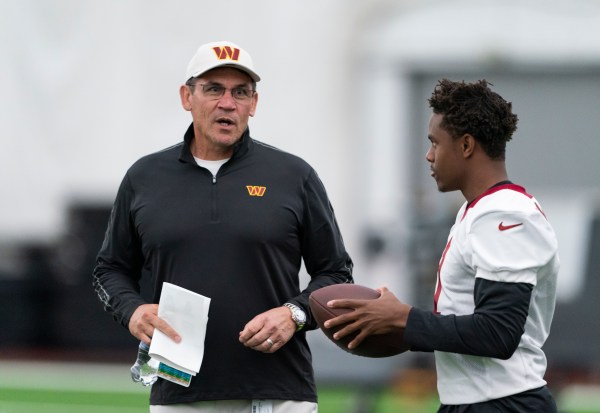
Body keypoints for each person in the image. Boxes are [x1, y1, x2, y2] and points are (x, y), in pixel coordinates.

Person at [93, 40, 353, 413]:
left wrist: (294, 314)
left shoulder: (294, 176)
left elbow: (337, 272)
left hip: (279, 394)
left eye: (241, 92)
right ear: (187, 97)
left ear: (254, 104)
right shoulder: (144, 177)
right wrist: (132, 311)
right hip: (179, 394)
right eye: (214, 89)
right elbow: (109, 270)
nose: (228, 103)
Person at [325, 79, 559, 412]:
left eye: (435, 142)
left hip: (504, 404)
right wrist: (395, 326)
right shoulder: (475, 210)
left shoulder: (505, 212)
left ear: (466, 146)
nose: (429, 155)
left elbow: (498, 333)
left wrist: (404, 320)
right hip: (473, 402)